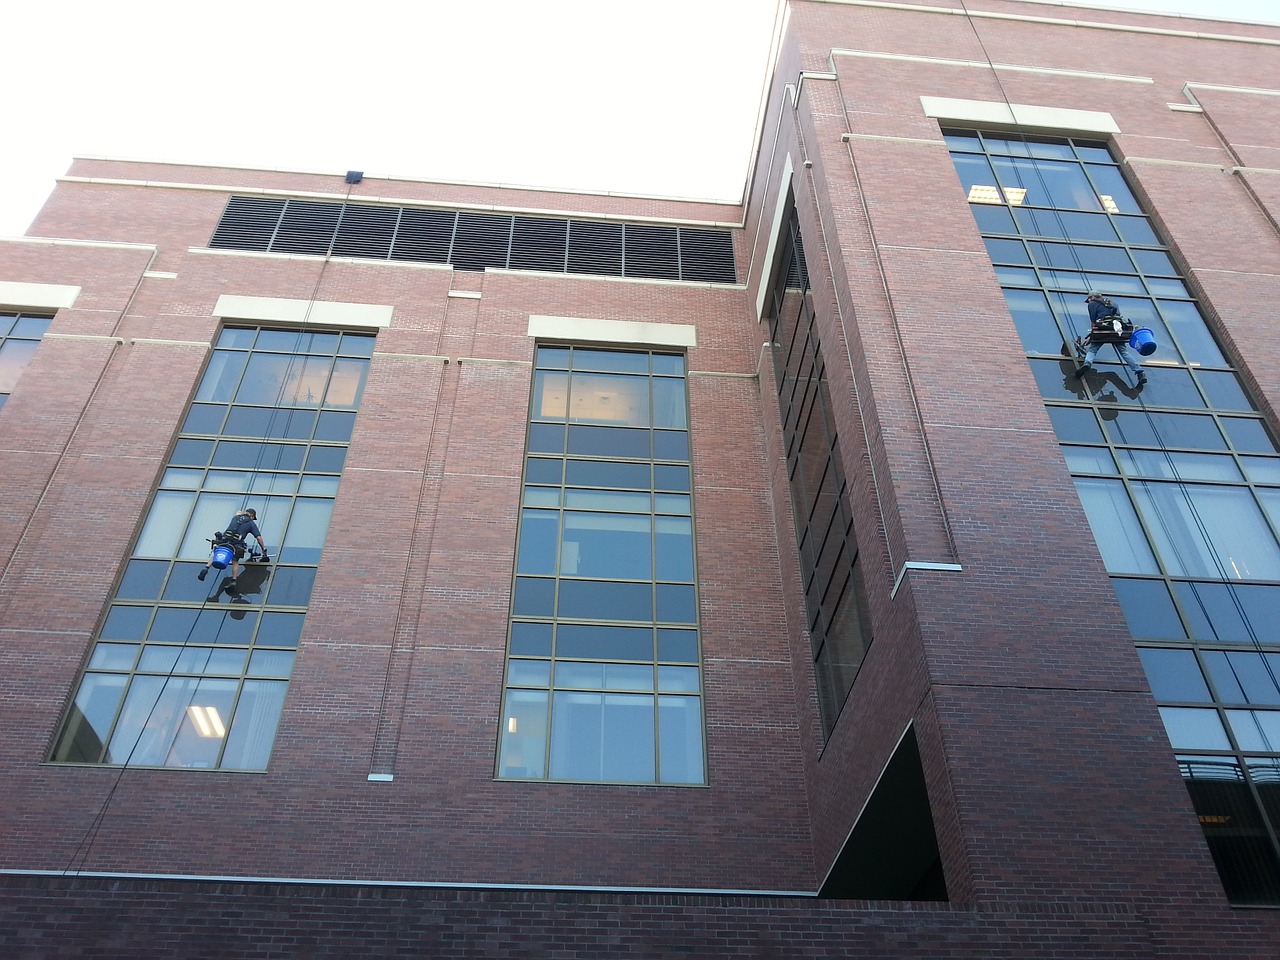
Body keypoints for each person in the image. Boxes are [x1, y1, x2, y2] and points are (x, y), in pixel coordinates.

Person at [1075, 291, 1147, 384]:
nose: (1088, 302)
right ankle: (1140, 372)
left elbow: (1093, 322)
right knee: (1124, 352)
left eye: (1088, 299)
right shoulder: (1112, 303)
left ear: (1091, 297)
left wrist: (1091, 337)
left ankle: (1087, 363)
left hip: (1102, 330)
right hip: (1116, 331)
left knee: (1093, 350)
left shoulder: (1092, 304)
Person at [197, 508, 269, 589]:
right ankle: (234, 580)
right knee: (235, 561)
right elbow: (259, 538)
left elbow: (237, 515)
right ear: (251, 515)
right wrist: (263, 549)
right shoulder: (251, 523)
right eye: (253, 518)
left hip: (225, 540)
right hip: (236, 544)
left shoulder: (235, 518)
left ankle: (206, 568)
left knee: (217, 553)